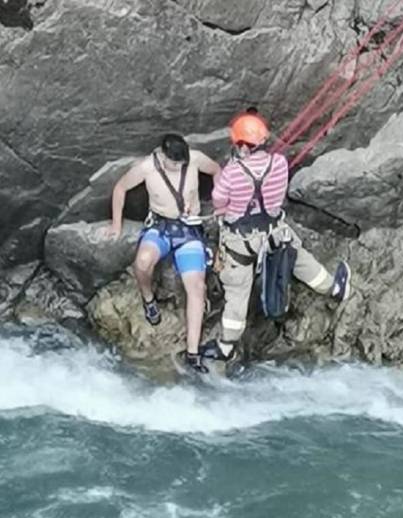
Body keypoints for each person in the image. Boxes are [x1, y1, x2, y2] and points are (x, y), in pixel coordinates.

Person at [197, 111, 351, 366]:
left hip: (240, 239)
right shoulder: (278, 163)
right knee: (298, 258)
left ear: (241, 145)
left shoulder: (232, 172)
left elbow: (219, 200)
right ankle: (334, 288)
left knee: (237, 290)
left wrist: (230, 206)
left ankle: (226, 347)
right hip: (274, 231)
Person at [105, 134, 221, 370]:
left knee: (197, 287)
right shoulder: (147, 167)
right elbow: (120, 188)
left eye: (181, 163)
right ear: (163, 155)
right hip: (160, 226)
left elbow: (218, 170)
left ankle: (192, 352)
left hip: (189, 229)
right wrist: (116, 224)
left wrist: (220, 205)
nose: (178, 167)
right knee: (143, 262)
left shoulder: (196, 159)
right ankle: (148, 299)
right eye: (174, 163)